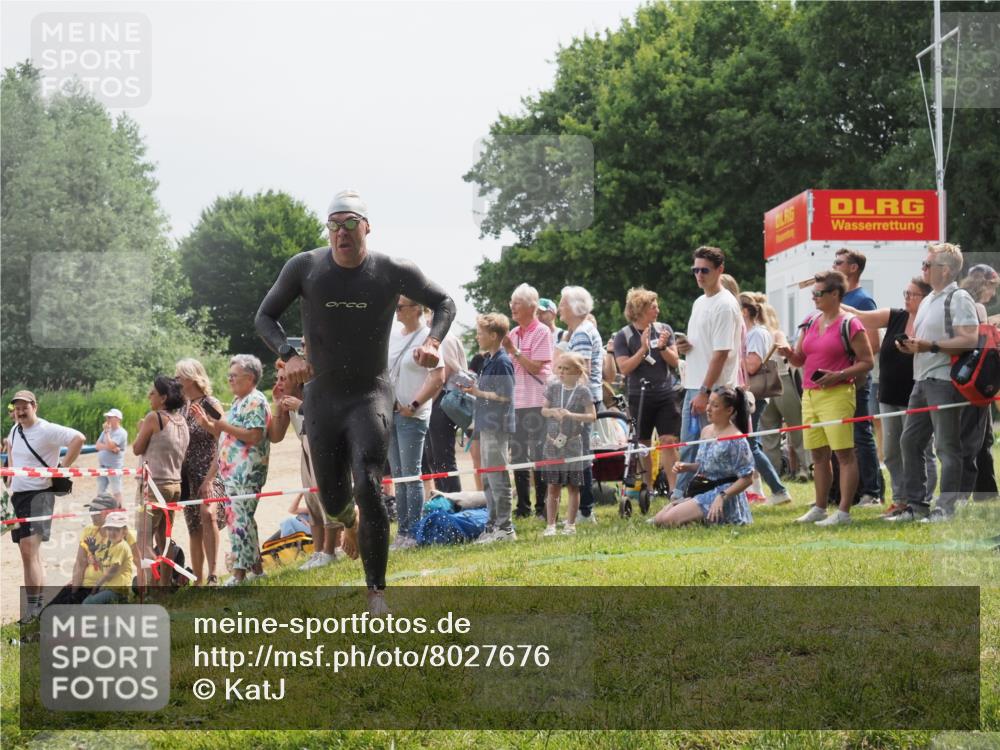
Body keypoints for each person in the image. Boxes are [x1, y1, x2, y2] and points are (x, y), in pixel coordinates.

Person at [255, 190, 455, 613]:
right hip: (323, 397)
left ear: (366, 227)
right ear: (327, 230)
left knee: (367, 481)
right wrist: (290, 357)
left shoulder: (392, 270)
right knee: (332, 499)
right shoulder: (306, 267)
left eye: (350, 224)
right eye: (334, 225)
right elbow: (264, 316)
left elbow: (445, 302)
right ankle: (350, 522)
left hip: (370, 393)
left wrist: (434, 341)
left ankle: (377, 592)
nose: (341, 233)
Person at [886, 243, 979, 522]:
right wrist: (912, 346)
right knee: (910, 442)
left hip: (944, 382)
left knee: (947, 448)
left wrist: (930, 346)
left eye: (927, 265)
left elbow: (970, 339)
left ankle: (945, 510)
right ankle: (916, 506)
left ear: (946, 269)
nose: (923, 269)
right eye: (923, 264)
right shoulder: (928, 299)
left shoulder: (959, 298)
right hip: (921, 381)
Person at [777, 271, 874, 526]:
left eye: (818, 294)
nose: (814, 298)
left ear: (835, 294)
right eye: (813, 294)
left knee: (843, 454)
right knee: (818, 455)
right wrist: (789, 353)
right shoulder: (810, 321)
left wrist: (839, 375)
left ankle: (843, 512)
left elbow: (867, 362)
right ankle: (820, 507)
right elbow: (800, 358)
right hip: (810, 394)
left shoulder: (850, 323)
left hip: (838, 393)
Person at [843, 277, 936, 516]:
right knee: (892, 450)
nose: (906, 297)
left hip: (917, 393)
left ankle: (921, 499)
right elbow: (860, 316)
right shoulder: (895, 315)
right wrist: (833, 299)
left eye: (912, 294)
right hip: (889, 393)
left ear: (925, 298)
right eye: (906, 292)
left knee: (920, 450)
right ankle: (900, 499)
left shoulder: (929, 321)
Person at [3, 391, 85, 622]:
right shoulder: (15, 430)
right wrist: (9, 478)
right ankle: (38, 608)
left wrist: (61, 468)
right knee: (30, 556)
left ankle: (32, 610)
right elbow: (12, 451)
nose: (20, 411)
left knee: (30, 553)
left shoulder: (46, 429)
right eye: (17, 407)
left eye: (24, 407)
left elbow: (78, 438)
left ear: (34, 406)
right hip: (18, 496)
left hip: (39, 495)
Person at [192, 354, 271, 584]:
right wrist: (208, 425)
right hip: (233, 473)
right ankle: (257, 571)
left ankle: (239, 574)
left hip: (246, 472)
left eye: (233, 376)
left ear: (249, 378)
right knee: (242, 519)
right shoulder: (239, 401)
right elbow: (227, 435)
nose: (229, 380)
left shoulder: (255, 400)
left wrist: (223, 424)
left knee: (238, 520)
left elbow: (255, 436)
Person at [672, 247, 743, 501]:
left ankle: (706, 497)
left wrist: (704, 392)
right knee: (691, 446)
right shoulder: (700, 302)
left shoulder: (724, 305)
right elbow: (704, 345)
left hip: (713, 389)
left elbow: (721, 353)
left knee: (711, 449)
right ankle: (682, 497)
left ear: (719, 271)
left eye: (705, 270)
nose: (699, 275)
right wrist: (685, 346)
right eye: (695, 270)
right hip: (695, 384)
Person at [268, 360, 344, 570]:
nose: (279, 383)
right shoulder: (286, 401)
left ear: (297, 379)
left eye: (283, 378)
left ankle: (331, 551)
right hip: (306, 449)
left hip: (325, 448)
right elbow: (275, 437)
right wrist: (277, 405)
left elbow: (329, 419)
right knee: (312, 502)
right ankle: (318, 552)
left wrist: (300, 407)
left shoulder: (315, 393)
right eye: (277, 379)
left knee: (325, 499)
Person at [387, 297, 446, 550]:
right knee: (398, 475)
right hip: (389, 413)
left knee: (411, 475)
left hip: (412, 415)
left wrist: (413, 405)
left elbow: (437, 378)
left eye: (400, 307)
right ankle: (402, 531)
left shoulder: (429, 338)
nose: (396, 311)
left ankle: (413, 531)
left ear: (416, 309)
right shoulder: (392, 336)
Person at [612, 287, 681, 496]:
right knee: (643, 444)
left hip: (665, 394)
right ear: (640, 309)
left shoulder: (664, 329)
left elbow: (675, 361)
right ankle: (647, 487)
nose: (658, 310)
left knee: (668, 441)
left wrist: (662, 348)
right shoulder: (623, 336)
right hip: (639, 396)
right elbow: (623, 368)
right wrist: (642, 350)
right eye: (653, 306)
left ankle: (674, 490)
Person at [653, 386, 754, 528]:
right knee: (659, 520)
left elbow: (747, 478)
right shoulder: (706, 431)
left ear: (729, 410)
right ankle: (696, 519)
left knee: (668, 521)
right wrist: (687, 467)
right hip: (703, 488)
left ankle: (702, 518)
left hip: (723, 494)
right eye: (709, 403)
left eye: (715, 405)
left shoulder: (736, 439)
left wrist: (722, 496)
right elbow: (704, 465)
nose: (708, 408)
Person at [831, 248, 883, 506]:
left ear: (853, 268)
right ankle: (842, 491)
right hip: (836, 380)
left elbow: (874, 343)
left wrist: (849, 362)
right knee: (839, 434)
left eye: (839, 262)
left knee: (862, 433)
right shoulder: (834, 299)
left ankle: (871, 492)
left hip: (857, 379)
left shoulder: (862, 301)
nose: (834, 265)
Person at [463, 313, 517, 543]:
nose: (477, 337)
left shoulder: (503, 362)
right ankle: (492, 525)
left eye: (480, 333)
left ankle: (505, 528)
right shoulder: (488, 360)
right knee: (487, 478)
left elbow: (505, 396)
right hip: (486, 425)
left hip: (497, 426)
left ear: (494, 336)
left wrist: (478, 393)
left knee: (497, 477)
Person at [132, 376, 190, 587]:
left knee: (143, 539)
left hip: (154, 484)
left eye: (153, 393)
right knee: (164, 539)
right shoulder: (181, 420)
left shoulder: (153, 418)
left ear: (164, 397)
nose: (149, 396)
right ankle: (165, 587)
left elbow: (137, 448)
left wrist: (141, 429)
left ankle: (150, 585)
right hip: (174, 484)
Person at [502, 283, 554, 519]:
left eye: (517, 303)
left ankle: (543, 507)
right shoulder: (512, 334)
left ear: (531, 307)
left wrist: (514, 351)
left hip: (538, 402)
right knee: (519, 456)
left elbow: (537, 367)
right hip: (517, 403)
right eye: (511, 302)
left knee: (540, 455)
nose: (512, 307)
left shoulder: (542, 331)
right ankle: (523, 507)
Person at [175, 358, 226, 585]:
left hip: (211, 470)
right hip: (187, 476)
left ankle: (213, 574)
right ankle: (198, 579)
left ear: (191, 377)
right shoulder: (181, 407)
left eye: (179, 376)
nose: (176, 381)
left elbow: (224, 440)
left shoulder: (210, 403)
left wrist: (209, 479)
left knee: (208, 514)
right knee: (193, 526)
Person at [556, 286, 604, 522]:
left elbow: (581, 373)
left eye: (562, 303)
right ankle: (584, 509)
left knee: (580, 456)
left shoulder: (583, 333)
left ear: (575, 308)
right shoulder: (578, 332)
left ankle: (585, 510)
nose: (559, 308)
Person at [739, 292, 791, 505]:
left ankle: (778, 490)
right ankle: (774, 490)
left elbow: (752, 365)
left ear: (744, 312)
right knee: (751, 443)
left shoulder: (756, 334)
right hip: (750, 393)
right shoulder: (749, 333)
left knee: (750, 444)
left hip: (755, 395)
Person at [540, 353, 597, 536]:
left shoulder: (583, 391)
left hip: (573, 443)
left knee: (573, 485)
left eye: (566, 369)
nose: (562, 372)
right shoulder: (554, 388)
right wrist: (552, 412)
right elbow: (543, 410)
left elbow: (592, 416)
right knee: (553, 485)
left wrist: (571, 415)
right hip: (553, 443)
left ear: (577, 372)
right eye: (560, 368)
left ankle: (570, 524)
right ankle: (551, 525)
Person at [49, 494, 141, 605]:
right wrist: (74, 589)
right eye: (90, 509)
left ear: (109, 513)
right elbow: (80, 563)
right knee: (51, 609)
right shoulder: (89, 530)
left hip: (106, 588)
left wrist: (142, 596)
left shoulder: (124, 533)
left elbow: (140, 565)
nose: (91, 513)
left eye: (95, 510)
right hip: (86, 584)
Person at [959, 264, 999, 502]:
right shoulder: (978, 307)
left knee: (983, 438)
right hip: (977, 379)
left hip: (967, 378)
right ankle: (972, 493)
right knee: (975, 439)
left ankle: (986, 491)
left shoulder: (961, 302)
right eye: (992, 288)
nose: (992, 294)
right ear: (984, 285)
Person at [423, 307, 468, 495]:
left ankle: (453, 501)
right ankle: (444, 498)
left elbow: (445, 373)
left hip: (443, 400)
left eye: (427, 312)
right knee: (436, 457)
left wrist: (426, 402)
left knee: (444, 457)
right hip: (440, 400)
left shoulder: (445, 339)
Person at [80, 511, 135, 604]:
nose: (112, 533)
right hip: (111, 588)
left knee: (87, 603)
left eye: (117, 530)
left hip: (119, 590)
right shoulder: (110, 545)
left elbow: (111, 572)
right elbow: (102, 568)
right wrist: (93, 552)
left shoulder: (121, 546)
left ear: (124, 531)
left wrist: (97, 585)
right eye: (109, 529)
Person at [95, 409, 127, 503]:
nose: (107, 419)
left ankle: (119, 509)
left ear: (118, 419)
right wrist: (111, 448)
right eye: (107, 417)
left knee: (116, 490)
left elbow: (110, 445)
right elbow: (97, 445)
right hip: (102, 465)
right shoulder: (106, 431)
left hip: (114, 466)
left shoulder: (121, 432)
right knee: (101, 490)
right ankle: (102, 510)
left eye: (110, 417)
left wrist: (107, 434)